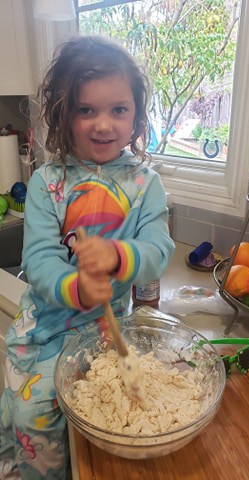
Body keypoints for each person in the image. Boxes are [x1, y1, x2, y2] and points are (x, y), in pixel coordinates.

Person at [0, 35, 175, 479]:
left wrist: (120, 255)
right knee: (32, 421)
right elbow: (39, 260)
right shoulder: (47, 183)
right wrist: (74, 284)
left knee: (107, 431)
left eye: (118, 109)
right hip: (47, 330)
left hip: (106, 333)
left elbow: (158, 251)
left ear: (135, 115)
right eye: (86, 110)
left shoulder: (146, 185)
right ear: (64, 114)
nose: (104, 124)